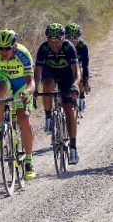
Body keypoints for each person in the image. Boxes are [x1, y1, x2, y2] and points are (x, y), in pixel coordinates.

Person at [0, 29, 38, 180]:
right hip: (2, 77)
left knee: (24, 118)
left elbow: (31, 82)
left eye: (7, 48)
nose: (3, 52)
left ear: (15, 46)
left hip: (21, 83)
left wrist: (27, 93)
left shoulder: (23, 54)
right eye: (0, 48)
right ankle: (1, 127)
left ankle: (29, 160)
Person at [36, 23, 82, 164]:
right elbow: (37, 71)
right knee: (48, 85)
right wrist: (35, 90)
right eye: (51, 42)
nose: (54, 45)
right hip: (49, 73)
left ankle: (73, 148)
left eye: (57, 42)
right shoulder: (43, 48)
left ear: (63, 39)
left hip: (67, 75)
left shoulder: (69, 47)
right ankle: (48, 117)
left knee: (69, 107)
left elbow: (77, 72)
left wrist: (75, 85)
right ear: (48, 40)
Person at [64, 23, 91, 112]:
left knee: (80, 72)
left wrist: (86, 80)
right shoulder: (63, 45)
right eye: (69, 37)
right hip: (65, 64)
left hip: (78, 64)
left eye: (75, 37)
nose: (72, 40)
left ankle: (82, 96)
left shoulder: (82, 46)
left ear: (79, 36)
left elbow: (85, 65)